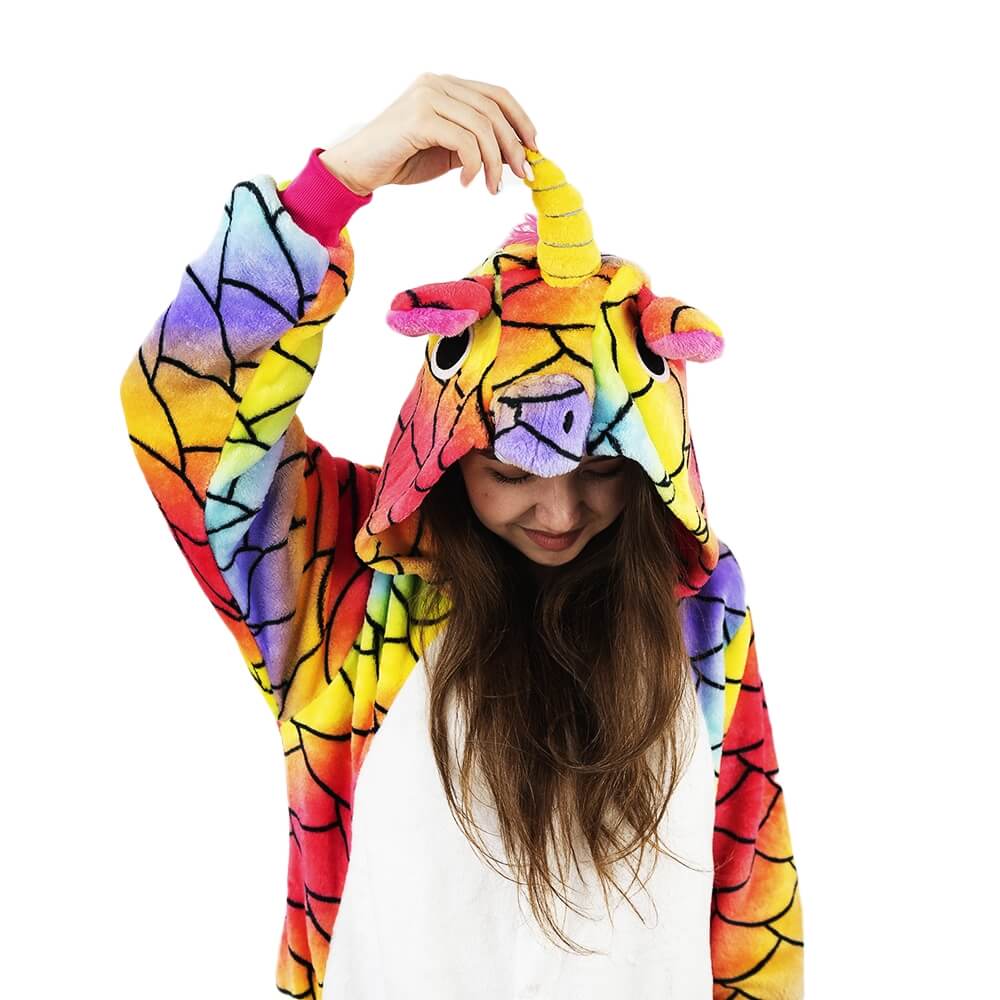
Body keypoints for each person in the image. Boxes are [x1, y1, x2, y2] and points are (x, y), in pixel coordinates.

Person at [119, 72, 804, 999]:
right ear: (445, 455)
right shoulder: (345, 582)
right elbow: (182, 408)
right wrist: (336, 184)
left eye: (603, 473)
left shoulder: (699, 610)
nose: (559, 515)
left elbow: (750, 890)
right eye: (510, 475)